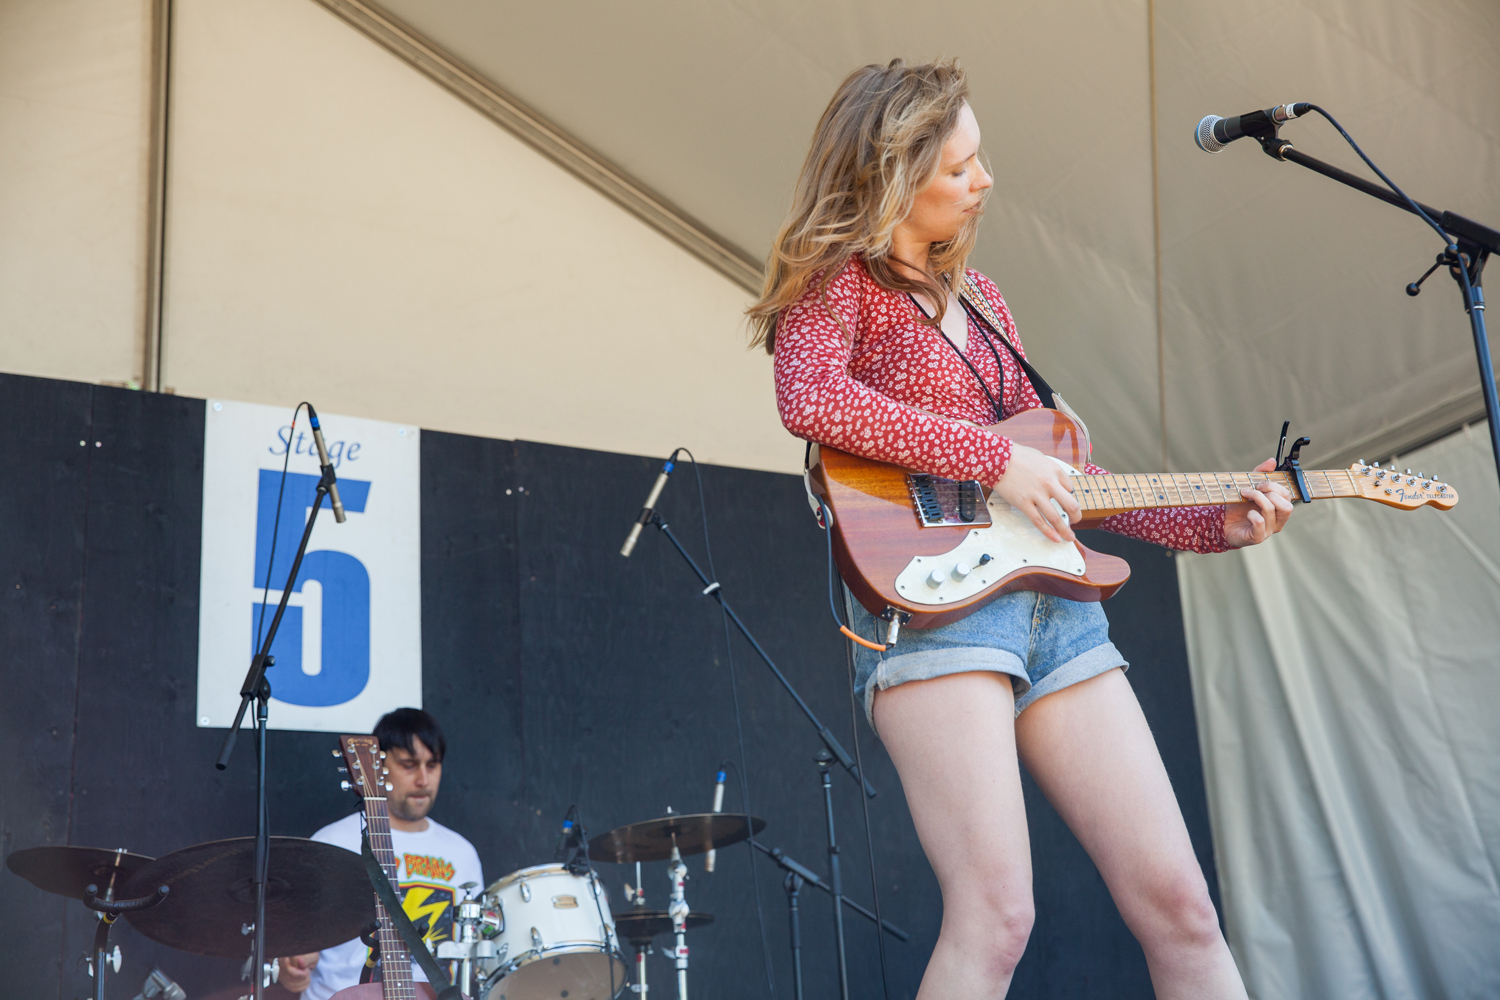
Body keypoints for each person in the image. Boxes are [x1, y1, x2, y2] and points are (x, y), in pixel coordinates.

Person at [751, 59, 1293, 999]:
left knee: (1182, 909)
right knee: (997, 917)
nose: (985, 180)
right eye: (960, 168)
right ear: (891, 177)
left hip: (1057, 612)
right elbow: (810, 397)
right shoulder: (839, 285)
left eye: (979, 159)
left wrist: (1218, 524)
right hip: (934, 611)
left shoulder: (987, 304)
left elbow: (1067, 483)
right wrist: (991, 458)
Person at [278, 709, 483, 998]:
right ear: (379, 765)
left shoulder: (462, 853)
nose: (423, 779)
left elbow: (475, 955)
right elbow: (295, 949)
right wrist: (292, 967)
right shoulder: (331, 842)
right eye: (409, 765)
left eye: (432, 765)